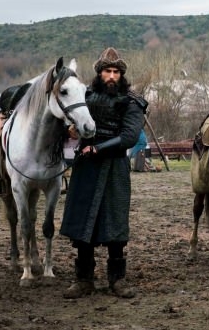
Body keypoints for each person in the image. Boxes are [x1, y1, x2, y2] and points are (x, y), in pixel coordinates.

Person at [60, 47, 147, 299]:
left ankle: (117, 280)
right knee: (83, 223)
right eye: (107, 71)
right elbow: (69, 119)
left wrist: (98, 148)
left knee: (115, 223)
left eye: (116, 72)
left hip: (114, 168)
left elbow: (129, 136)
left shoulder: (132, 102)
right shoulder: (84, 96)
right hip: (86, 167)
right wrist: (70, 131)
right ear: (99, 73)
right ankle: (83, 280)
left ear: (121, 75)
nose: (111, 76)